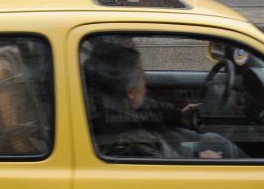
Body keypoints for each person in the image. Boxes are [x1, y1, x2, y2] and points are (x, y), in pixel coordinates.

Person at [82, 39, 243, 160]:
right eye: (142, 78)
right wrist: (197, 157)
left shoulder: (116, 106)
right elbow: (159, 162)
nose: (146, 85)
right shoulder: (127, 134)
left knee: (212, 139)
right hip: (164, 153)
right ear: (130, 92)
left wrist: (179, 116)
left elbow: (147, 109)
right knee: (219, 145)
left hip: (159, 141)